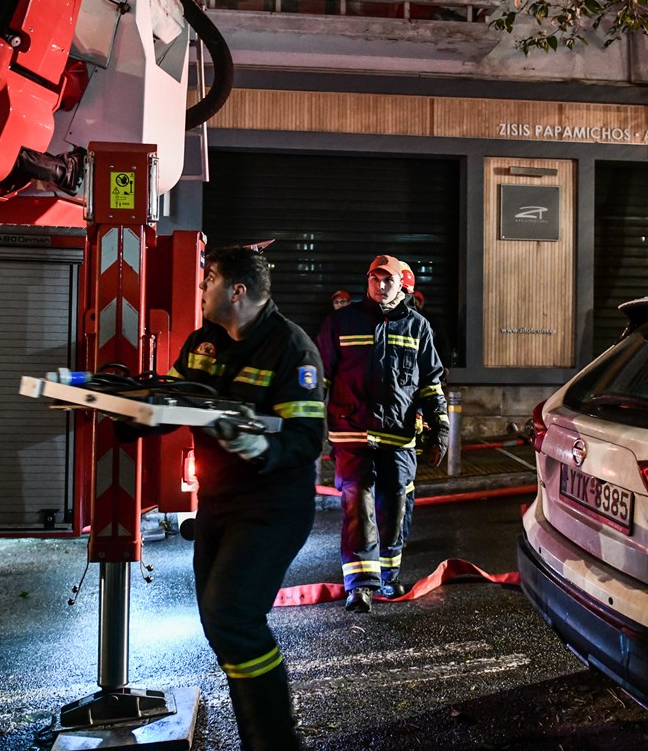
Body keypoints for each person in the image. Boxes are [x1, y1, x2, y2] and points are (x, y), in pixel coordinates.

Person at [165, 246, 326, 750]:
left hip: (272, 509)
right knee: (221, 625)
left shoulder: (291, 348)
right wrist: (127, 411)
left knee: (233, 617)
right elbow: (172, 402)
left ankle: (274, 741)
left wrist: (262, 448)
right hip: (218, 505)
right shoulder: (203, 343)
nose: (201, 287)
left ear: (237, 291)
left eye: (209, 278)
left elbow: (307, 438)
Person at [316, 254, 448, 613]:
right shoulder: (341, 322)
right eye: (374, 278)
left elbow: (430, 384)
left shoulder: (418, 327)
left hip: (399, 437)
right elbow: (320, 377)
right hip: (352, 434)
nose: (380, 285)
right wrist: (309, 423)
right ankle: (360, 586)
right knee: (358, 505)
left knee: (395, 507)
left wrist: (440, 430)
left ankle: (388, 577)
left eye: (387, 279)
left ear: (401, 283)